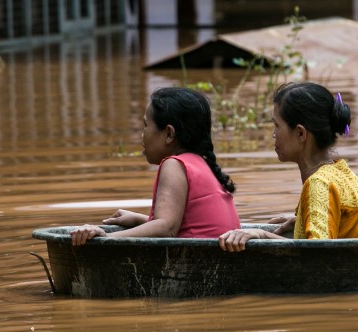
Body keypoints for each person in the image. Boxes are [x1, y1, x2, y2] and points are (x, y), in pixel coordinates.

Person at [218, 82, 358, 251]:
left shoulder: (319, 183)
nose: (273, 134)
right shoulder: (341, 170)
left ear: (300, 133)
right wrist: (301, 220)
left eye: (277, 125)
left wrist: (262, 235)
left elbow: (316, 253)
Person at [70, 87, 239, 245]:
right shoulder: (201, 163)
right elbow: (189, 224)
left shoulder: (174, 164)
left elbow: (167, 228)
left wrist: (107, 237)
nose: (142, 134)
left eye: (145, 125)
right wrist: (141, 219)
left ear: (169, 134)